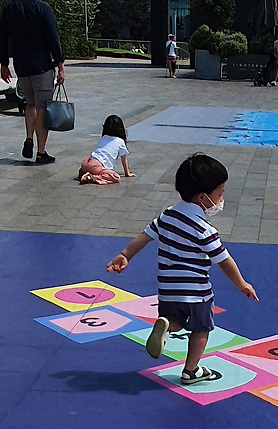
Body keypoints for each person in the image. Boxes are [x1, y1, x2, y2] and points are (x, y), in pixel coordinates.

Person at [107, 153, 258, 385]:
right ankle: (191, 370)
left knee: (173, 318)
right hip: (196, 292)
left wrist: (125, 255)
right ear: (202, 197)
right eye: (220, 194)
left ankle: (166, 328)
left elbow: (144, 237)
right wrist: (241, 284)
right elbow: (224, 260)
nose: (221, 200)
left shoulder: (167, 215)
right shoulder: (204, 229)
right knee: (201, 329)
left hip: (167, 288)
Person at [0, 0, 65, 166]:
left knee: (30, 104)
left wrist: (3, 63)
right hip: (42, 66)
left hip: (22, 67)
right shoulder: (43, 8)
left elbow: (3, 37)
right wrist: (60, 65)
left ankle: (29, 137)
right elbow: (53, 39)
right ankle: (41, 152)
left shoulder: (10, 8)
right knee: (43, 109)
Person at [79, 114, 133, 184]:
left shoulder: (104, 137)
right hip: (96, 166)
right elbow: (124, 160)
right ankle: (91, 177)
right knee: (115, 176)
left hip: (87, 162)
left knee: (94, 168)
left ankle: (85, 171)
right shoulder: (120, 141)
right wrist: (127, 173)